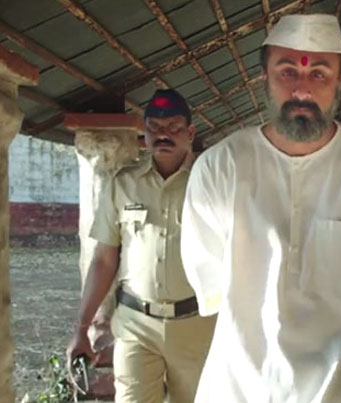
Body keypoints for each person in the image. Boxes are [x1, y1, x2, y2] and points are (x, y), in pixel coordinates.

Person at [181, 14, 341, 403]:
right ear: (264, 78)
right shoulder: (219, 168)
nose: (302, 89)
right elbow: (208, 276)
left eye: (319, 74)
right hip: (239, 390)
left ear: (339, 83)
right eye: (287, 72)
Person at [66, 89, 216, 402]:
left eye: (173, 127)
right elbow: (104, 260)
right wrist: (81, 329)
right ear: (144, 134)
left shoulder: (212, 183)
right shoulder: (123, 183)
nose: (163, 135)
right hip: (136, 325)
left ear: (190, 133)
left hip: (197, 326)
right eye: (154, 128)